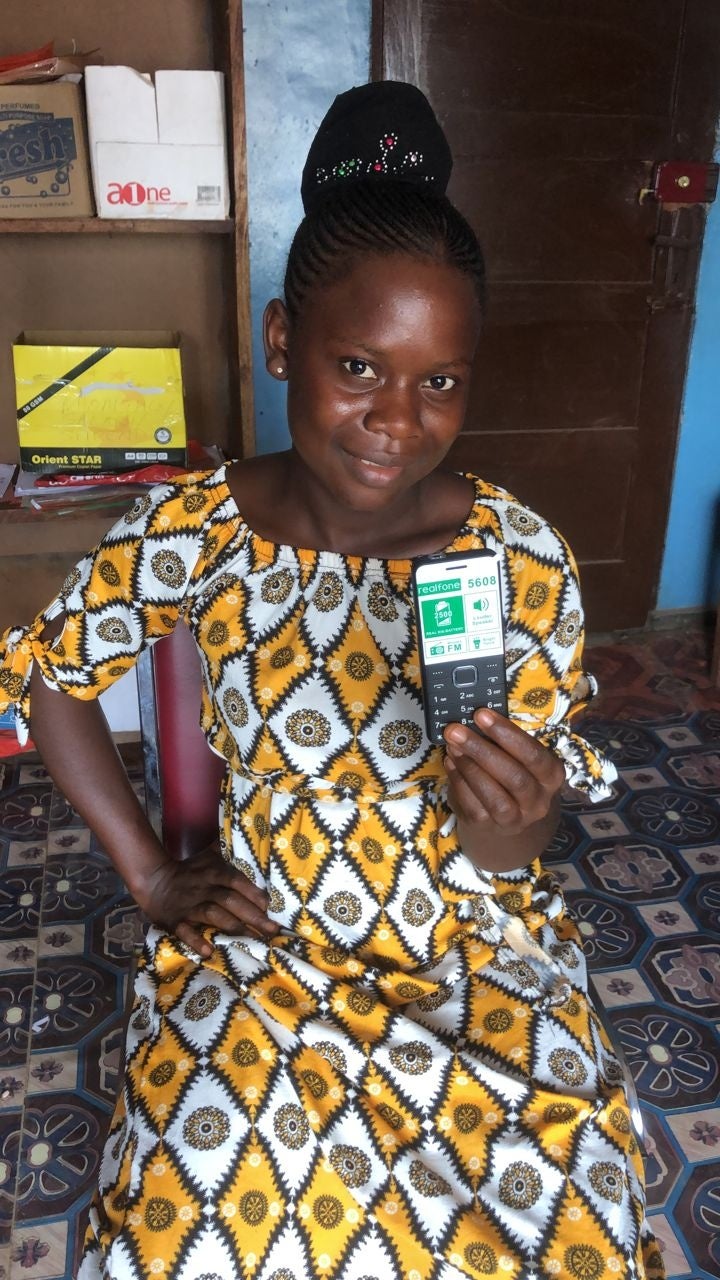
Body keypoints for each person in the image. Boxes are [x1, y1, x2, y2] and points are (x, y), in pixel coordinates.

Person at [0, 82, 663, 1280]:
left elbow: (510, 855)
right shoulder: (194, 530)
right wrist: (151, 873)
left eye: (441, 380)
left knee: (569, 1220)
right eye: (359, 365)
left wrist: (517, 812)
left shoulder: (514, 555)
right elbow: (51, 674)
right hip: (263, 942)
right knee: (185, 1230)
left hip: (467, 947)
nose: (396, 421)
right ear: (280, 343)